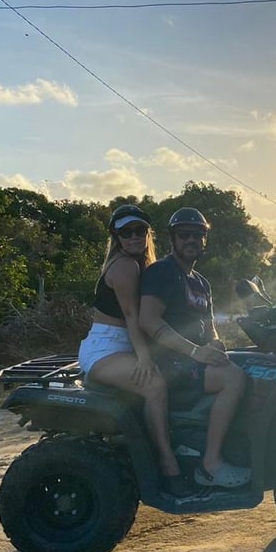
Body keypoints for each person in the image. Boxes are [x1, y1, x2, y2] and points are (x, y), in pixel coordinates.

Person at [78, 205, 189, 497]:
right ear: (116, 237)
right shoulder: (125, 266)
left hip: (124, 344)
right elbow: (131, 316)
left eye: (139, 230)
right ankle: (167, 464)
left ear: (147, 233)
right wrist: (144, 356)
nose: (134, 236)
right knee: (154, 384)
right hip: (107, 347)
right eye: (126, 232)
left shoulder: (143, 264)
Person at [139, 207, 250, 489]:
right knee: (233, 378)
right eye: (184, 235)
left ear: (205, 240)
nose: (191, 240)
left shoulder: (200, 282)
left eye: (198, 235)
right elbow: (149, 320)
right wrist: (194, 351)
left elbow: (208, 323)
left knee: (250, 364)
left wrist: (214, 343)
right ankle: (211, 464)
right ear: (173, 239)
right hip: (169, 363)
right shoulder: (162, 272)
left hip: (191, 359)